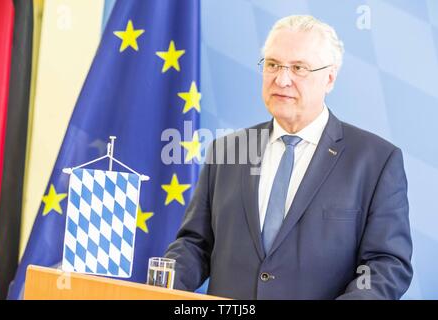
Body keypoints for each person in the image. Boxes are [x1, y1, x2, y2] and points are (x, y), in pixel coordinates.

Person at [165, 15, 413, 299]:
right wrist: (161, 285)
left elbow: (387, 265)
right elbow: (195, 245)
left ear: (329, 77)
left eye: (299, 68)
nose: (282, 79)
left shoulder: (375, 160)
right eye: (272, 65)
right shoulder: (228, 151)